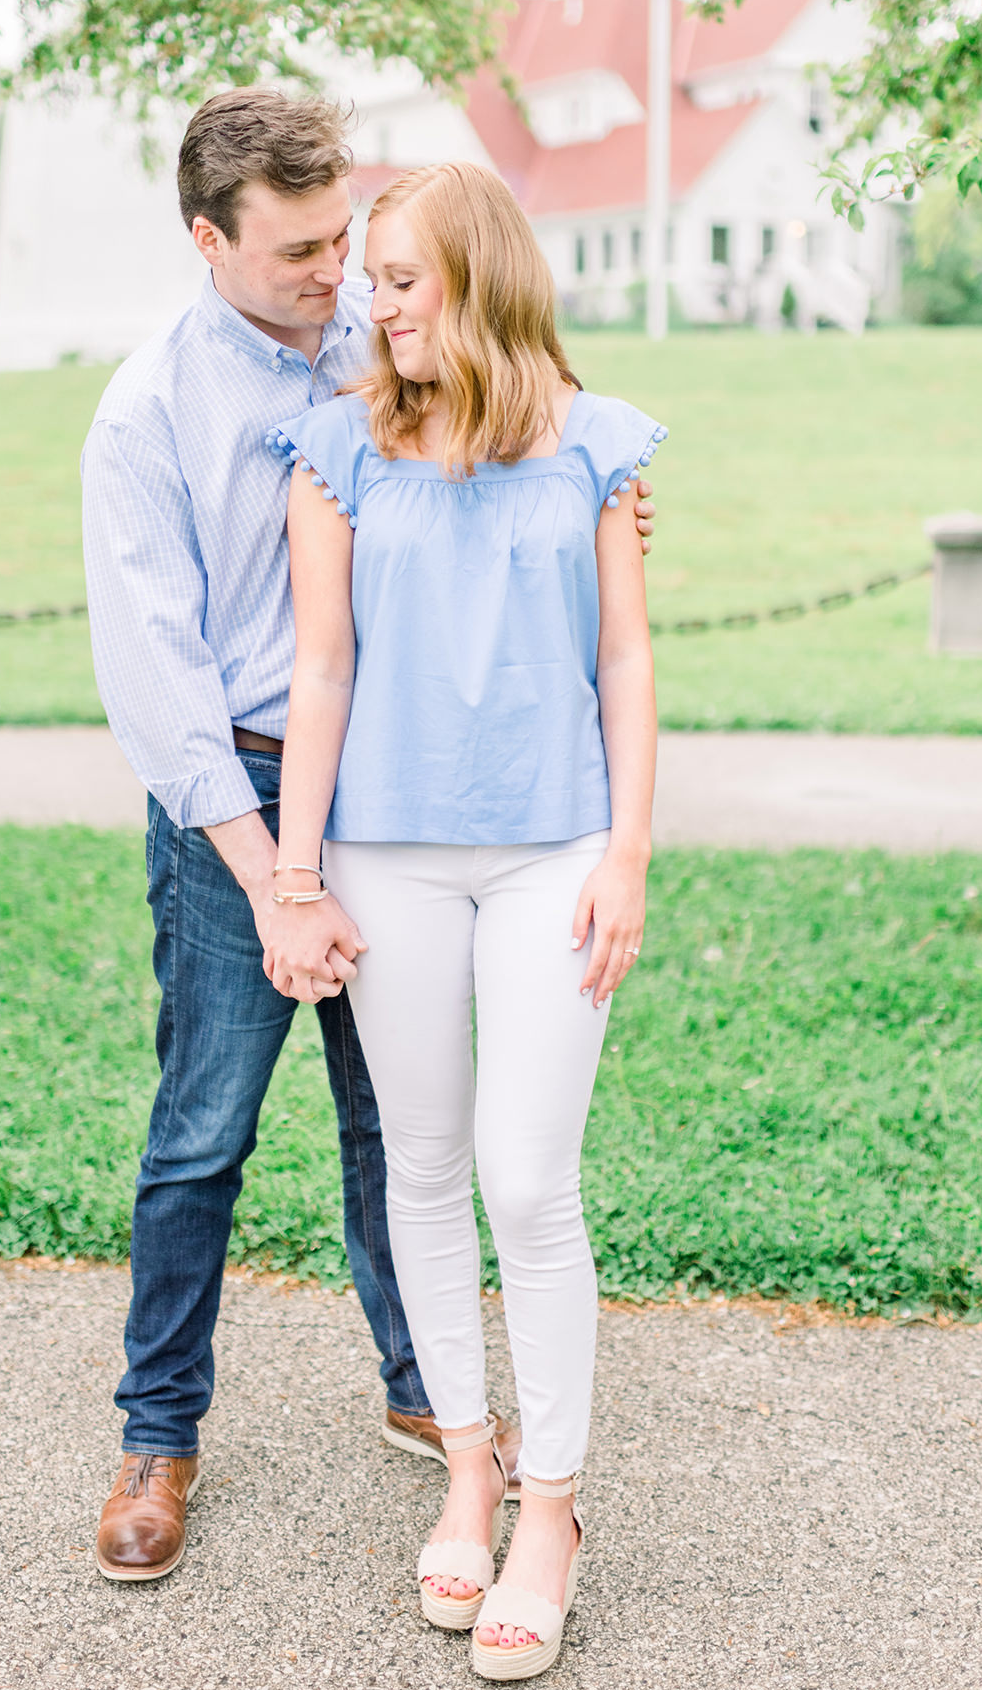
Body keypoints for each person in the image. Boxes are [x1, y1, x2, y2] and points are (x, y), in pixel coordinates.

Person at [80, 92, 658, 1583]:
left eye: (346, 242)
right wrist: (271, 873)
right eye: (297, 252)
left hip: (399, 792)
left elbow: (502, 395)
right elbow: (161, 688)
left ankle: (429, 1393)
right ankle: (158, 1433)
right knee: (205, 1130)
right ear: (207, 241)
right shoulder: (149, 409)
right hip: (245, 792)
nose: (335, 274)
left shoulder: (373, 330)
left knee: (394, 1127)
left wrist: (591, 502)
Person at [266, 160, 663, 1677]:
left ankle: (551, 1513)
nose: (377, 305)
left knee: (523, 1176)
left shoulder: (601, 445)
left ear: (479, 278)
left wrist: (625, 853)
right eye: (370, 280)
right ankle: (470, 1470)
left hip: (553, 846)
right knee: (421, 1170)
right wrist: (297, 878)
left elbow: (624, 662)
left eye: (401, 280)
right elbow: (321, 672)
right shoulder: (339, 449)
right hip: (384, 856)